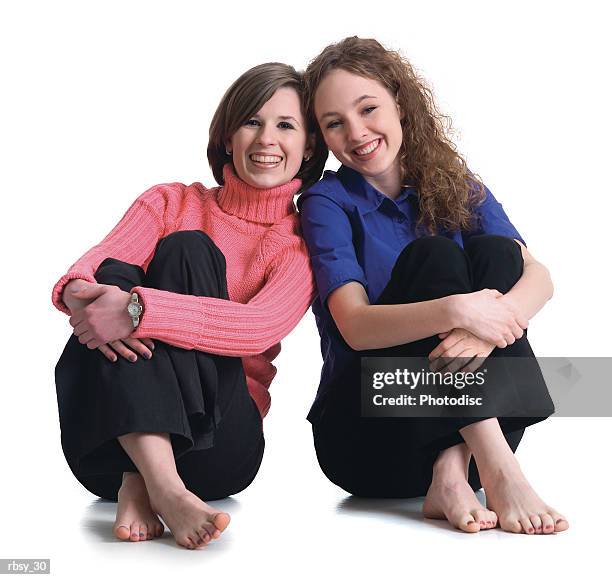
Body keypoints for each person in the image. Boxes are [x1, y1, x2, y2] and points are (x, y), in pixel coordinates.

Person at [297, 37, 569, 534]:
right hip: (370, 432)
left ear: (400, 102)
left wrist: (484, 330)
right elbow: (355, 327)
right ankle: (501, 467)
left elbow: (539, 277)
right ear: (324, 136)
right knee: (435, 256)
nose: (357, 133)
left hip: (466, 445)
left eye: (368, 109)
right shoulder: (327, 200)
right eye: (335, 123)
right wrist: (458, 313)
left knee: (497, 252)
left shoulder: (451, 178)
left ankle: (451, 466)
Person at [52, 62, 327, 549]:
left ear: (308, 147)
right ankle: (155, 480)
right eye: (251, 121)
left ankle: (147, 481)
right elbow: (90, 270)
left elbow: (257, 327)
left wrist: (139, 311)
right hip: (106, 448)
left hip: (219, 445)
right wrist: (80, 292)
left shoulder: (298, 243)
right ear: (226, 137)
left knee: (186, 251)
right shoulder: (170, 200)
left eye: (285, 125)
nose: (266, 138)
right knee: (117, 272)